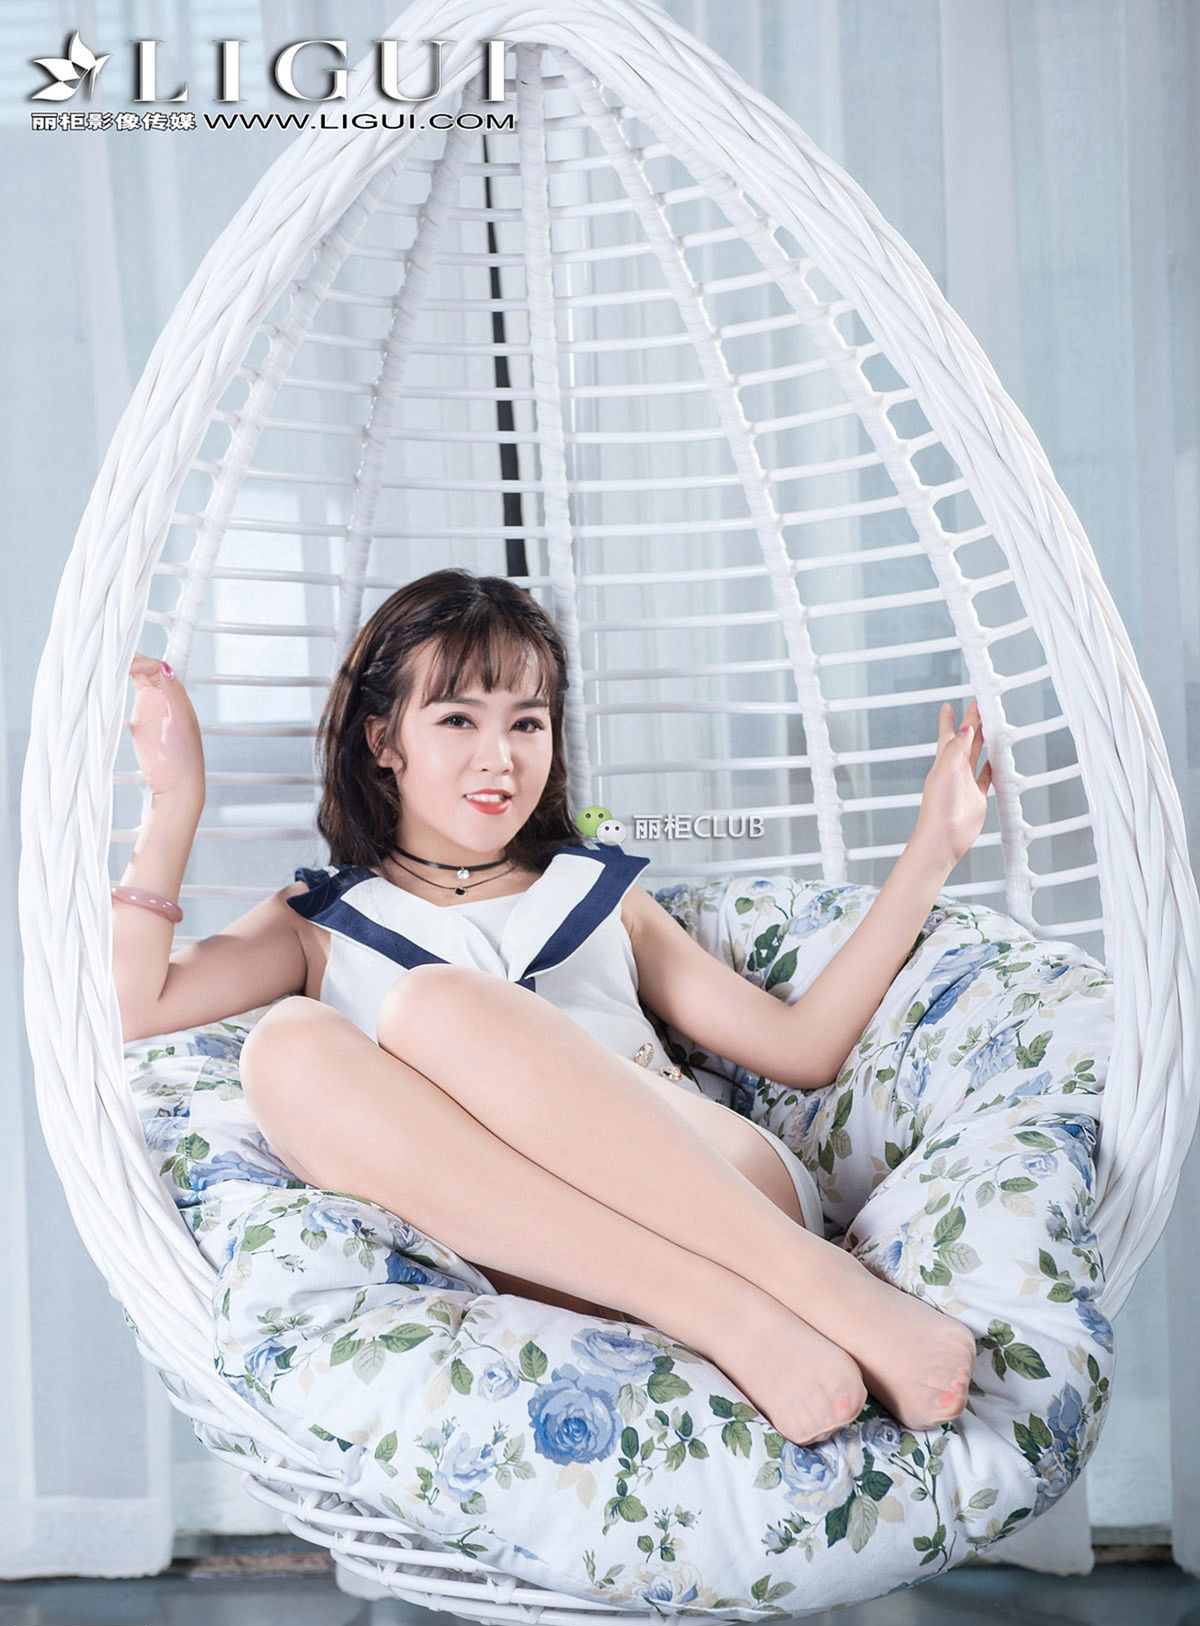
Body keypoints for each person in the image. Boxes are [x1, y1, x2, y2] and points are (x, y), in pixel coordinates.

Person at [114, 569, 992, 1450]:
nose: (500, 758)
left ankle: (821, 1291)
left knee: (435, 1003)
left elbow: (801, 1048)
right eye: (458, 720)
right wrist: (175, 802)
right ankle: (723, 1317)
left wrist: (934, 848)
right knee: (286, 1048)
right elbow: (130, 1006)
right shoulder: (317, 921)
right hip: (539, 1266)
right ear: (383, 739)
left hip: (728, 1205)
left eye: (526, 723)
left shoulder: (595, 890)